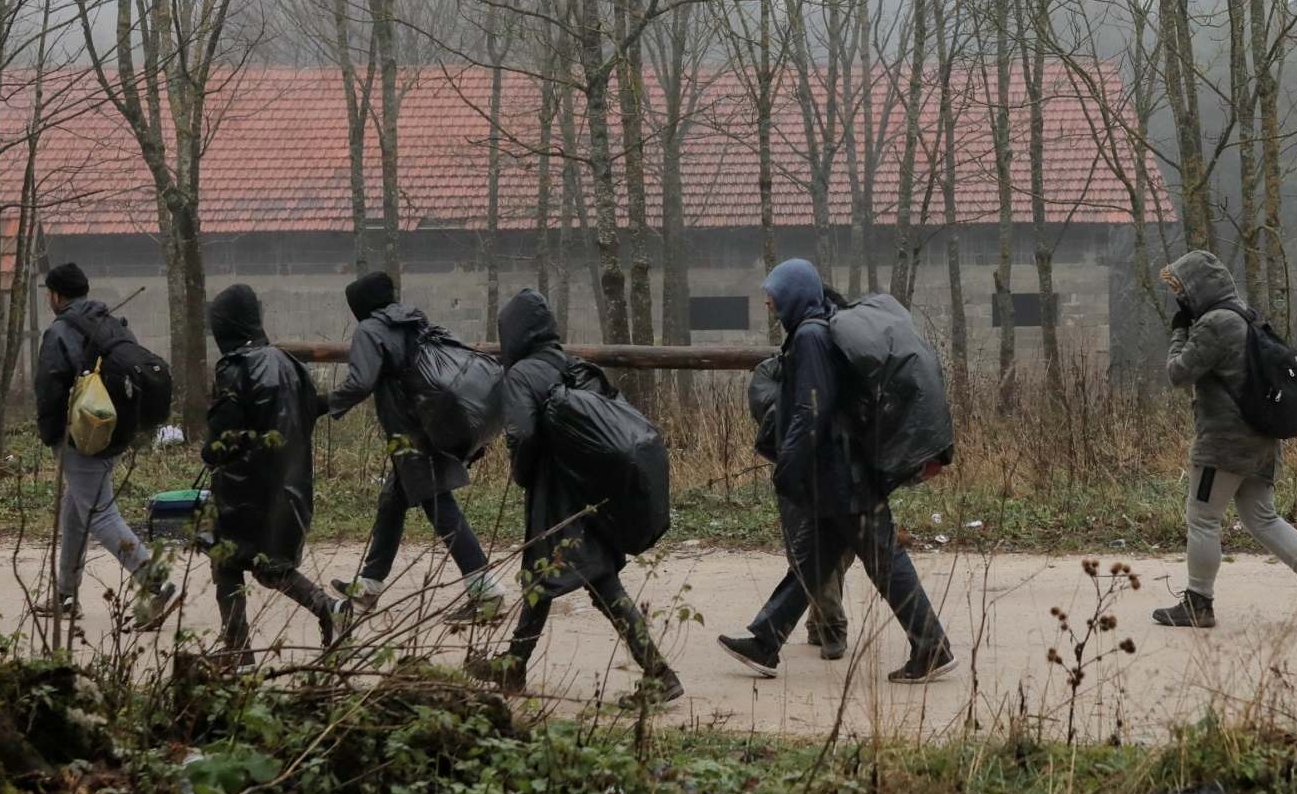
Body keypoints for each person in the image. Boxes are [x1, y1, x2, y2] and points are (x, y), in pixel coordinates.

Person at [717, 259, 955, 683]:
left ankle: (931, 646)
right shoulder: (818, 330)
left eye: (774, 293)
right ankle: (766, 640)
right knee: (814, 562)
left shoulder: (810, 335)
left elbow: (811, 407)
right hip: (839, 472)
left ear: (793, 294)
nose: (769, 302)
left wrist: (788, 464)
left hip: (841, 475)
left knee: (884, 560)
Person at [471, 288, 683, 706]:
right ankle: (514, 663)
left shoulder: (520, 375)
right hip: (589, 487)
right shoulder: (569, 364)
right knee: (550, 576)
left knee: (591, 580)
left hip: (557, 495)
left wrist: (521, 473)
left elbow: (522, 433)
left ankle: (659, 673)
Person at [1153, 250, 1297, 632]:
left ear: (1197, 289)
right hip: (1261, 439)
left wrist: (1179, 331)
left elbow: (1178, 373)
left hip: (1225, 443)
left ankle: (1198, 603)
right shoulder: (1246, 316)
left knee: (1203, 518)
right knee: (1261, 516)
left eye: (1181, 291)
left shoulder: (1215, 324)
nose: (1180, 298)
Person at [326, 271, 504, 626]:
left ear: (359, 306)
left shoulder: (369, 331)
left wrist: (323, 404)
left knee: (441, 508)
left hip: (410, 433)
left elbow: (361, 381)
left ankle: (486, 591)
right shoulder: (412, 320)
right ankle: (369, 585)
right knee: (392, 502)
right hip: (432, 422)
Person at [201, 285, 340, 665]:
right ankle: (328, 609)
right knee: (270, 565)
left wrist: (210, 452)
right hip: (290, 486)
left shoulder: (236, 368)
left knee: (227, 559)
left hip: (246, 489)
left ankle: (238, 650)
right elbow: (311, 410)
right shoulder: (290, 363)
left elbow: (223, 440)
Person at [33, 262, 177, 626]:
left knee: (99, 514)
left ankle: (155, 583)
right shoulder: (108, 321)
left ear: (56, 295)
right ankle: (65, 594)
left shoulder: (61, 331)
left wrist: (51, 435)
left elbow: (50, 388)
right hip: (116, 430)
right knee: (76, 507)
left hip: (83, 434)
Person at [748, 349, 848, 661]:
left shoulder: (841, 360)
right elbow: (766, 406)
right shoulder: (774, 369)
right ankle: (830, 624)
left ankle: (822, 622)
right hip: (797, 468)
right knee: (808, 549)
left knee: (838, 550)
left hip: (839, 464)